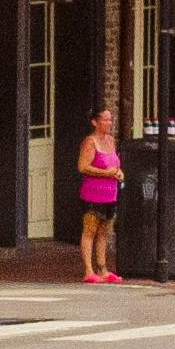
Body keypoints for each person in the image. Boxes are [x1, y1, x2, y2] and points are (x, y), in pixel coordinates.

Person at [74, 104, 127, 284]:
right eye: (104, 119)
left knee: (104, 231)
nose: (109, 122)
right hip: (93, 193)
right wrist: (106, 173)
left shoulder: (111, 141)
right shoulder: (90, 142)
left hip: (110, 193)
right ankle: (88, 270)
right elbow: (82, 167)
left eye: (110, 119)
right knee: (90, 230)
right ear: (95, 122)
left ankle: (102, 268)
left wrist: (119, 172)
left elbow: (114, 165)